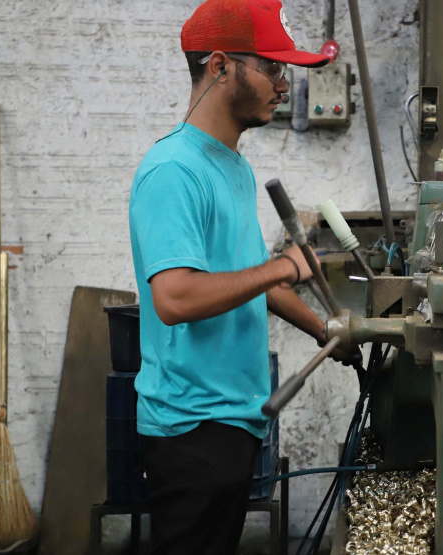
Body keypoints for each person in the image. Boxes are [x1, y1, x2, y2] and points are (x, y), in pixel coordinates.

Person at [127, 0, 354, 552]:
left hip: (234, 417)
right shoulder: (174, 170)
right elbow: (175, 298)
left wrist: (325, 330)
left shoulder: (232, 166)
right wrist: (285, 264)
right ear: (220, 66)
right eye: (272, 67)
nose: (283, 84)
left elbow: (254, 280)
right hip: (192, 426)